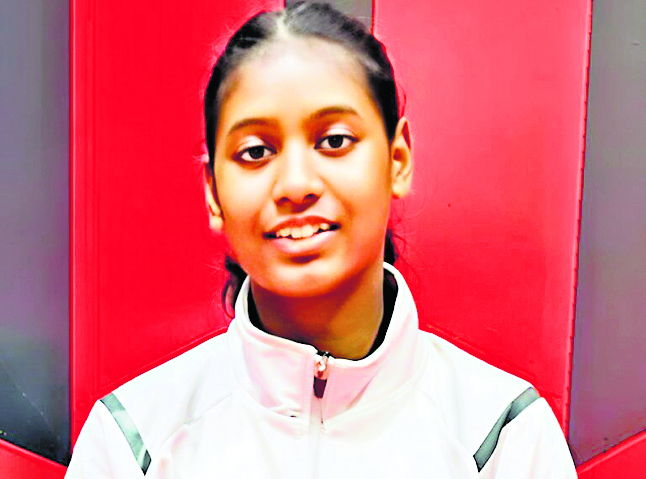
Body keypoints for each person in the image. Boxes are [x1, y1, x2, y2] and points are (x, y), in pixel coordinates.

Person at [66, 2, 577, 477]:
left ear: (397, 160)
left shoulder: (503, 438)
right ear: (214, 192)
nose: (295, 184)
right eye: (255, 151)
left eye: (334, 141)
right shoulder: (133, 443)